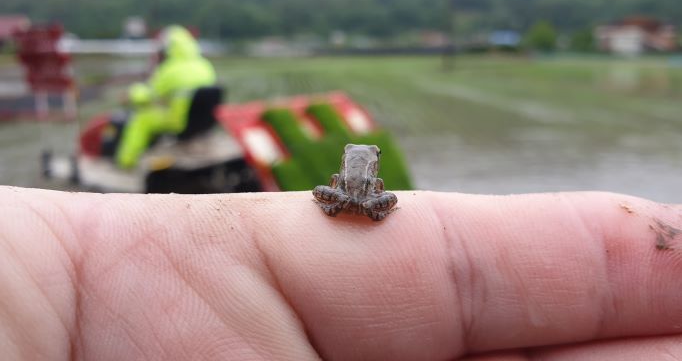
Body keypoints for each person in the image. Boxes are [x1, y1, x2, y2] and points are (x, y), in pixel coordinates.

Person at [2, 187, 682, 359]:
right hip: (370, 209)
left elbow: (338, 189)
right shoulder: (376, 182)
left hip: (340, 206)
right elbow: (375, 191)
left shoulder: (341, 183)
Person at [116, 25, 217, 169]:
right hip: (202, 125)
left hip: (178, 122)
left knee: (142, 119)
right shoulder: (205, 65)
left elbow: (147, 94)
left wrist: (130, 94)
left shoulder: (170, 69)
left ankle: (126, 163)